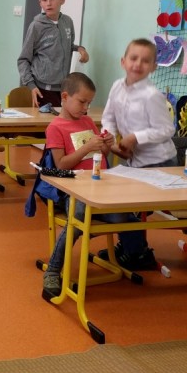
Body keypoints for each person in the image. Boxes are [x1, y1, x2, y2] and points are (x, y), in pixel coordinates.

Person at [39, 73, 141, 297]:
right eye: (82, 102)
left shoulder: (86, 122)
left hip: (99, 187)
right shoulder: (56, 127)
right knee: (77, 218)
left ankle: (130, 252)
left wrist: (106, 145)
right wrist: (86, 147)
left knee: (123, 216)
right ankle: (53, 270)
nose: (86, 108)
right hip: (73, 190)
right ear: (65, 97)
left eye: (89, 103)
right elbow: (61, 164)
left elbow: (101, 155)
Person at [97, 37, 178, 270]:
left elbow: (167, 129)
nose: (138, 64)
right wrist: (108, 136)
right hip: (136, 159)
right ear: (123, 61)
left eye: (145, 61)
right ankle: (130, 246)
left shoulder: (152, 95)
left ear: (154, 67)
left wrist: (134, 137)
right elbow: (108, 117)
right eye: (133, 58)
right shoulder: (116, 86)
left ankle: (138, 253)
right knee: (118, 200)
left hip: (160, 162)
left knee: (124, 204)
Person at [17, 0, 89, 108]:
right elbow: (23, 60)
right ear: (40, 3)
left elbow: (68, 46)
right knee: (47, 121)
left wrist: (80, 49)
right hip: (42, 89)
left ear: (62, 0)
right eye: (44, 0)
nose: (49, 3)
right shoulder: (36, 26)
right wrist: (31, 86)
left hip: (64, 88)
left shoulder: (67, 22)